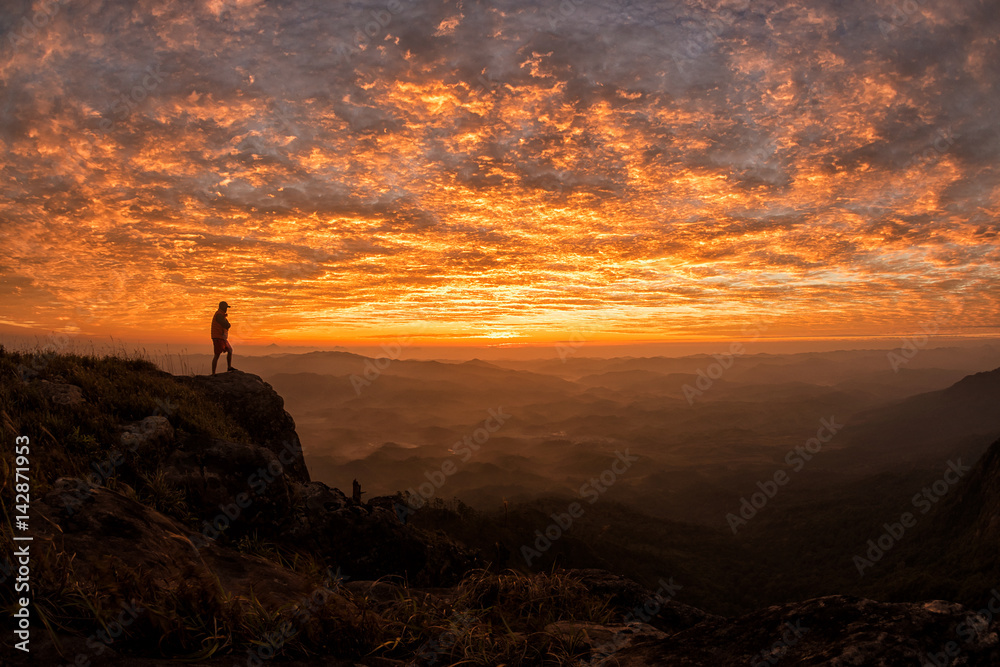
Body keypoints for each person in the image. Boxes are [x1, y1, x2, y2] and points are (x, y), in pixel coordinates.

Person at [211, 301, 236, 374]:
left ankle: (229, 367)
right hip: (218, 337)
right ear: (223, 307)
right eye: (226, 307)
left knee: (230, 350)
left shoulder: (221, 315)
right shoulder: (219, 315)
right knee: (217, 355)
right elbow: (226, 325)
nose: (226, 309)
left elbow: (226, 324)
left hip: (221, 338)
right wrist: (228, 324)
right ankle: (213, 373)